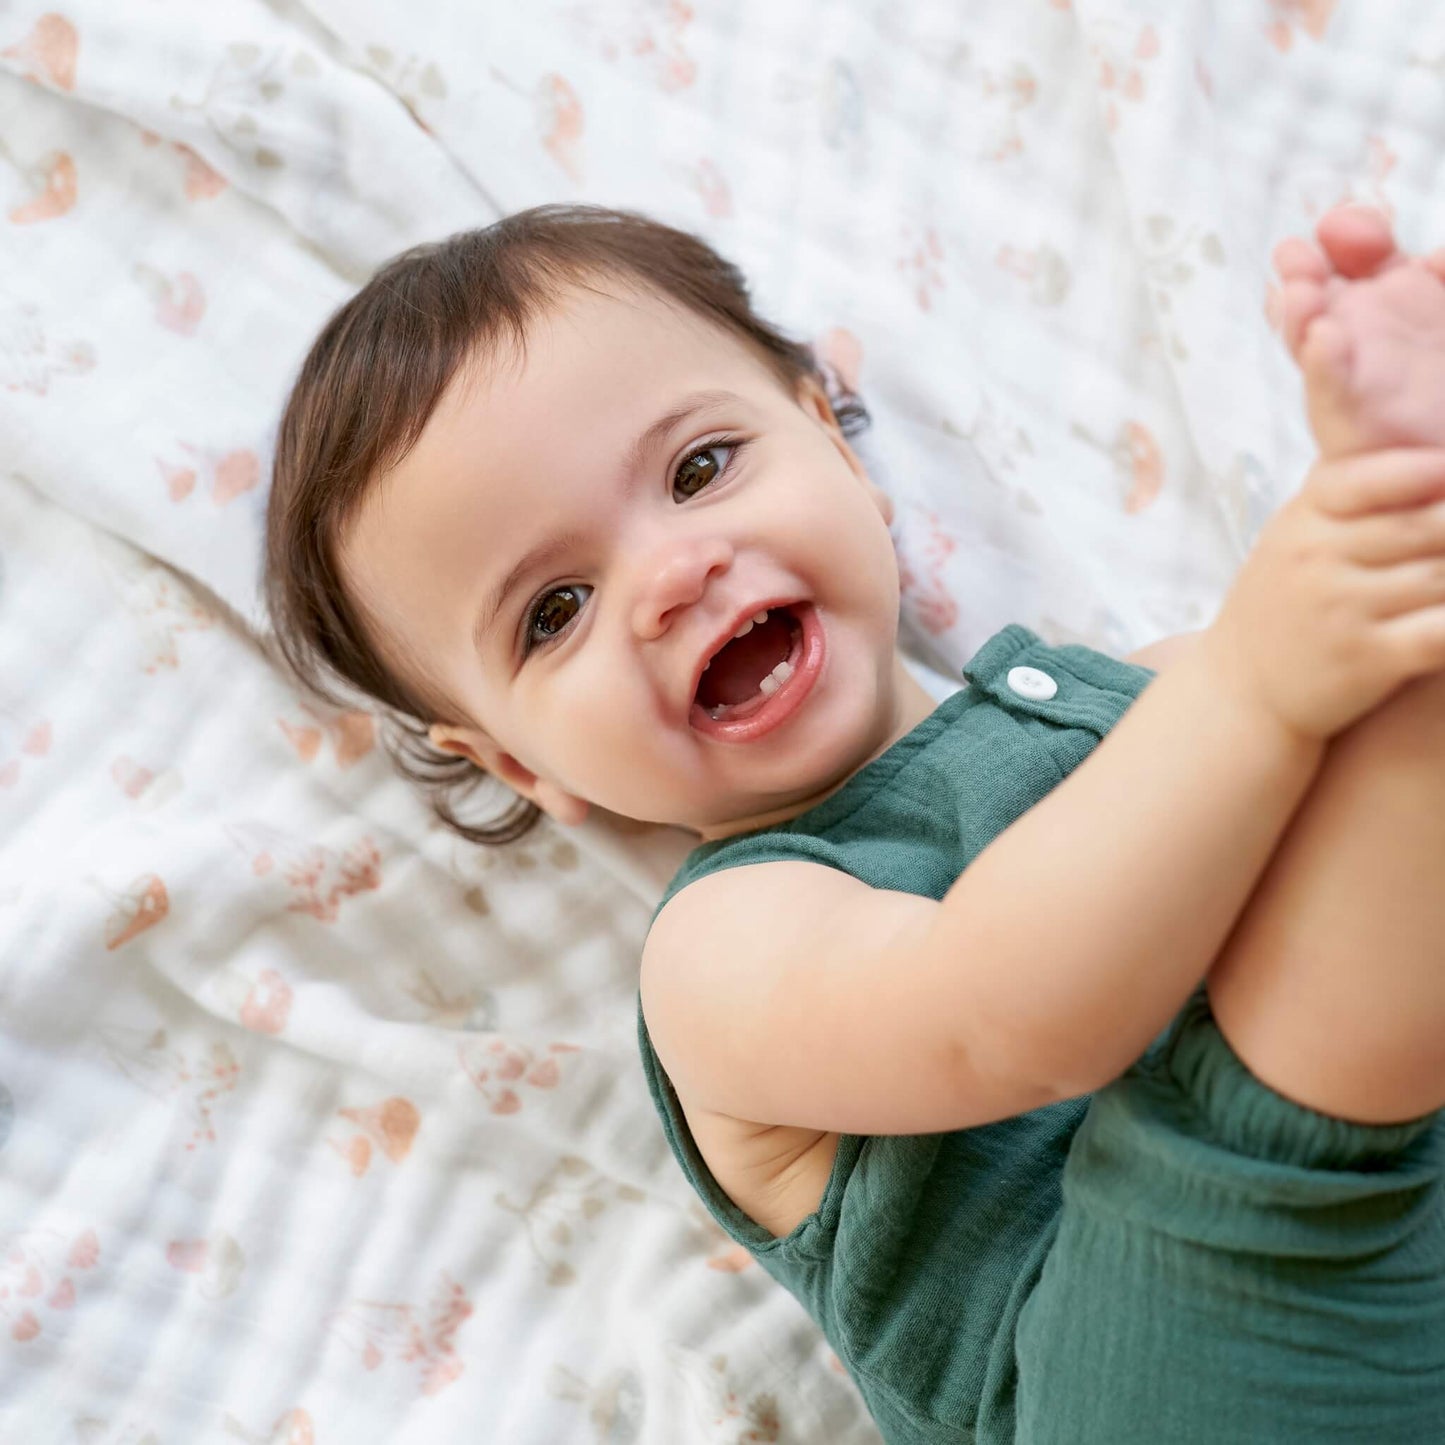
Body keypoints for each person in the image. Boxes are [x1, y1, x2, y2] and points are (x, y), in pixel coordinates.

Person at [263, 202, 1445, 1442]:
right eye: (553, 609)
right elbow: (1011, 1013)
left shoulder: (1148, 690)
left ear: (833, 444)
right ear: (518, 759)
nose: (672, 577)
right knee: (1371, 747)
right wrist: (1269, 678)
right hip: (1133, 1365)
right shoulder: (723, 948)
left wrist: (1273, 682)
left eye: (697, 468)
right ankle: (1402, 511)